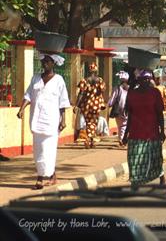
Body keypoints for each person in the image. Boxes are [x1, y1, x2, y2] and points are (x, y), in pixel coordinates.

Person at [17, 53, 70, 190]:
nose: (44, 63)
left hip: (52, 121)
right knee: (38, 150)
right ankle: (51, 175)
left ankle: (40, 178)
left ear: (54, 63)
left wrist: (63, 119)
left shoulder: (59, 80)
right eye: (43, 61)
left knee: (49, 150)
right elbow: (28, 95)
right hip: (36, 120)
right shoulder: (35, 78)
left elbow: (63, 101)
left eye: (48, 61)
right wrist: (22, 109)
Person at [123, 70, 166, 187]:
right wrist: (125, 134)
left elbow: (160, 114)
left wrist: (162, 131)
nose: (146, 81)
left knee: (155, 158)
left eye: (148, 79)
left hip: (152, 133)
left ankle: (161, 177)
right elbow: (130, 115)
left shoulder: (155, 93)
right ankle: (135, 182)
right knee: (134, 159)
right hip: (136, 133)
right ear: (139, 81)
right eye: (144, 79)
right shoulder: (132, 94)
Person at [74, 62, 106, 149]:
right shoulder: (100, 81)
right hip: (96, 105)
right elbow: (102, 91)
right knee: (94, 122)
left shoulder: (84, 81)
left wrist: (76, 105)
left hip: (86, 105)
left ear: (88, 71)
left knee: (88, 122)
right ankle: (91, 139)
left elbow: (81, 94)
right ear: (96, 71)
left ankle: (89, 138)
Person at [108, 71, 129, 147]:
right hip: (128, 109)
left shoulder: (117, 88)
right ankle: (123, 139)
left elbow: (112, 98)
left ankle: (122, 139)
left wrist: (109, 104)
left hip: (119, 109)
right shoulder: (131, 88)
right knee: (125, 125)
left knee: (121, 125)